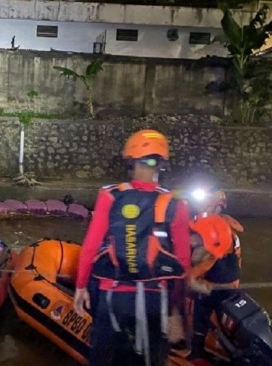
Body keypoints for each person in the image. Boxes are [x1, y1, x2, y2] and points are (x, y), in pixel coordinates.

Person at [74, 129, 191, 366]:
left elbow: (90, 247)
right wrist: (175, 310)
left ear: (130, 159)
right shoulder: (176, 203)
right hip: (155, 299)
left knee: (104, 359)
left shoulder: (110, 195)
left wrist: (80, 286)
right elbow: (183, 263)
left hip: (113, 296)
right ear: (160, 163)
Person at [185, 186, 243, 364]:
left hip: (213, 285)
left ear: (217, 207)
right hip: (230, 284)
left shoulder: (216, 230)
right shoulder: (226, 226)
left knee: (200, 315)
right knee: (224, 317)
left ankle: (196, 352)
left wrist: (190, 278)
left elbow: (206, 260)